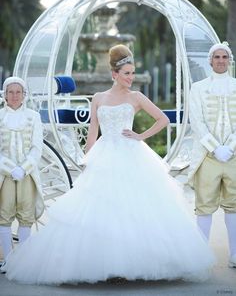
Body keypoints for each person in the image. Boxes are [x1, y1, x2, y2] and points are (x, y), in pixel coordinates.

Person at [4, 45, 214, 284]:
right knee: (99, 208)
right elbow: (93, 131)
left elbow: (163, 119)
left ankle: (134, 261)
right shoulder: (99, 98)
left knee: (134, 208)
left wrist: (140, 135)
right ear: (114, 74)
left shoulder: (136, 97)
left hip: (131, 154)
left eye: (133, 73)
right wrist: (87, 159)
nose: (131, 78)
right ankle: (106, 263)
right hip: (104, 155)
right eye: (127, 73)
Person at [188, 42, 236, 269]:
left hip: (234, 156)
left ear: (229, 60)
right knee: (204, 205)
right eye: (216, 57)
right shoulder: (197, 88)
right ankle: (199, 256)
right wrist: (215, 147)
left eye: (224, 57)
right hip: (208, 156)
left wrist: (231, 147)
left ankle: (235, 254)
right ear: (210, 61)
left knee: (234, 205)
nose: (220, 60)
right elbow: (196, 121)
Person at [0, 77, 44, 270]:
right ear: (4, 95)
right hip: (4, 174)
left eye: (18, 92)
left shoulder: (33, 117)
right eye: (11, 92)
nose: (14, 96)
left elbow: (37, 147)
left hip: (27, 174)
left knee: (26, 213)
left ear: (24, 95)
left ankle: (23, 261)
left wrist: (24, 168)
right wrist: (10, 169)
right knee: (4, 213)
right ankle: (8, 259)